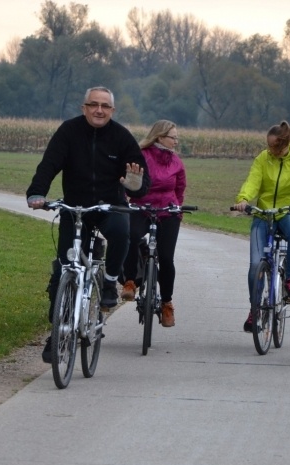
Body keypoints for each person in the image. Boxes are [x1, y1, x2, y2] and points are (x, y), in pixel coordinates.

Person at [26, 86, 151, 362]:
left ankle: (108, 283)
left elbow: (141, 178)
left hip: (109, 206)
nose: (99, 110)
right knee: (63, 271)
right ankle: (58, 332)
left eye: (105, 106)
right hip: (76, 208)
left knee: (122, 231)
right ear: (84, 107)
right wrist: (36, 193)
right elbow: (49, 164)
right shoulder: (68, 132)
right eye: (93, 104)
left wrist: (136, 186)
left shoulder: (121, 137)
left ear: (112, 110)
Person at [232, 121, 290, 332]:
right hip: (264, 212)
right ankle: (255, 308)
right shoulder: (263, 158)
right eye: (269, 147)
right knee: (254, 267)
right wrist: (243, 199)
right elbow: (253, 181)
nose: (272, 151)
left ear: (285, 144)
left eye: (275, 147)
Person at [119, 120, 187, 328]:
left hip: (167, 211)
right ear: (159, 137)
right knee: (131, 237)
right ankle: (130, 281)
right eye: (172, 137)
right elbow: (129, 182)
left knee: (166, 257)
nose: (176, 141)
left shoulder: (176, 162)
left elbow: (180, 188)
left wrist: (177, 207)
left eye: (177, 137)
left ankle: (167, 303)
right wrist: (127, 199)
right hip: (142, 207)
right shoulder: (142, 157)